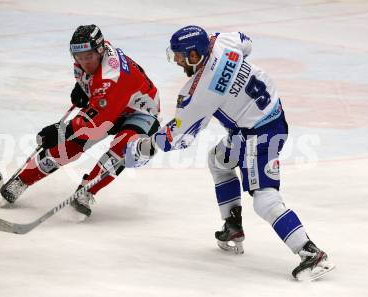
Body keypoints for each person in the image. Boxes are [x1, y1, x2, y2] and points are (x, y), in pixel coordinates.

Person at [125, 25, 334, 280]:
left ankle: (311, 253)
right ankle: (233, 225)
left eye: (181, 56)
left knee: (265, 199)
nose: (178, 61)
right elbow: (247, 43)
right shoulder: (223, 41)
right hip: (268, 114)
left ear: (194, 55)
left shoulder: (199, 92)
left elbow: (179, 136)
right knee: (218, 160)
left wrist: (145, 147)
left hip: (259, 133)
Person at [0, 24, 160, 221]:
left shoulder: (112, 77)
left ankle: (87, 191)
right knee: (69, 146)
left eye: (88, 57)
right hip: (110, 104)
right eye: (79, 57)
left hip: (139, 113)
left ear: (100, 51)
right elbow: (96, 95)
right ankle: (22, 181)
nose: (84, 62)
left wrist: (60, 130)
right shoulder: (91, 55)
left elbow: (95, 122)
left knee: (123, 148)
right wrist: (83, 88)